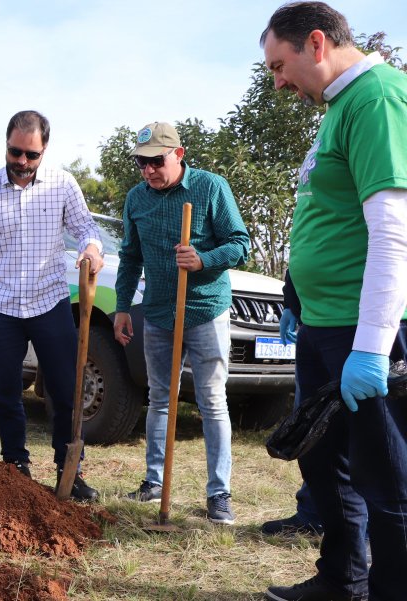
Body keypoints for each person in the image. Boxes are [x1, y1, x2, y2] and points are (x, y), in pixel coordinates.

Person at [260, 3, 407, 600]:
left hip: (362, 329)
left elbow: (393, 230)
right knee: (325, 462)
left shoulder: (376, 99)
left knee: (387, 477)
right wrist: (297, 293)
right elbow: (327, 216)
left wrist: (372, 348)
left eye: (279, 65)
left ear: (315, 43)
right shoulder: (339, 108)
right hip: (324, 324)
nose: (278, 81)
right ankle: (343, 580)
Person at [0, 109, 104, 502]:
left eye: (31, 155)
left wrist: (92, 246)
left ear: (44, 151)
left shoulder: (63, 185)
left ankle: (68, 469)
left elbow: (87, 228)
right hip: (3, 306)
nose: (21, 162)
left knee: (65, 390)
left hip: (49, 301)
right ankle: (16, 467)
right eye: (15, 152)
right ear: (6, 145)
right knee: (5, 390)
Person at [113, 121, 250, 525]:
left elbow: (240, 244)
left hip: (206, 310)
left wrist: (204, 259)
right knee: (160, 399)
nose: (148, 170)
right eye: (142, 163)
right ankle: (153, 481)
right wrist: (123, 306)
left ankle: (219, 493)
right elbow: (130, 255)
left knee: (211, 401)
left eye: (156, 161)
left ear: (179, 154)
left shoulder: (210, 187)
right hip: (157, 313)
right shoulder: (136, 199)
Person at [261, 270, 324, 537]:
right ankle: (313, 514)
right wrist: (292, 304)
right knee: (311, 428)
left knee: (360, 434)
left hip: (359, 325)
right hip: (313, 323)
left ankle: (368, 532)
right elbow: (300, 252)